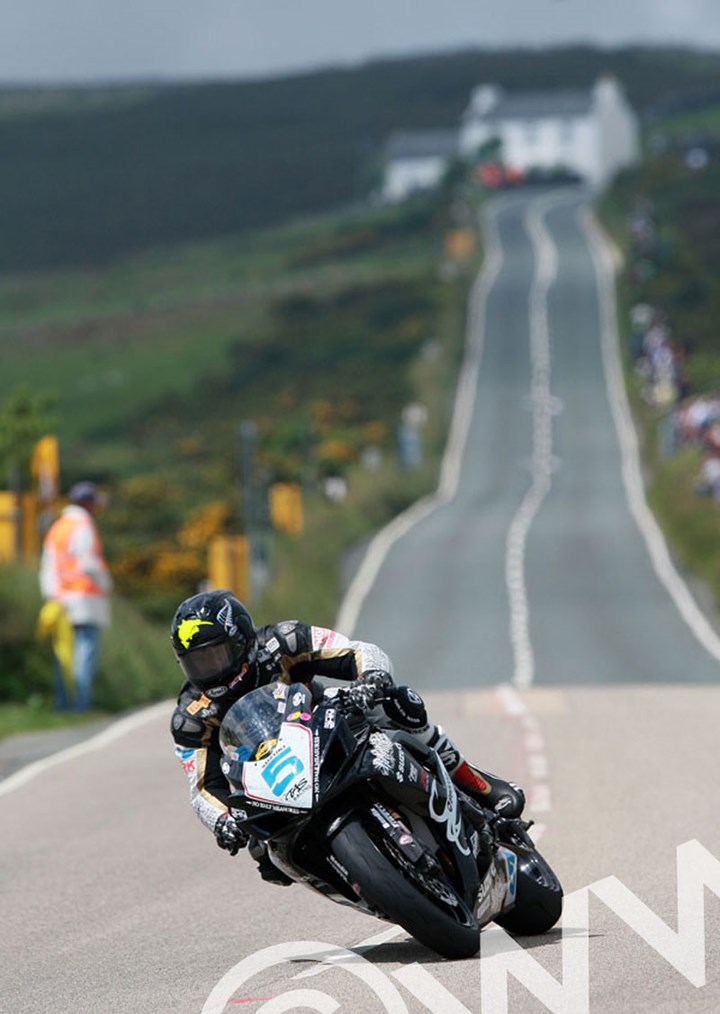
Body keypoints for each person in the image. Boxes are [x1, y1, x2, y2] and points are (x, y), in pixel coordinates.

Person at [170, 589, 526, 885]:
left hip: (324, 724)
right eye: (196, 663)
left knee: (399, 705)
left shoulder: (283, 642)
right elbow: (201, 786)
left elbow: (358, 651)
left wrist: (371, 679)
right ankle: (362, 884)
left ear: (242, 641)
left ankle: (478, 784)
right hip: (271, 778)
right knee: (265, 857)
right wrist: (221, 821)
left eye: (216, 656)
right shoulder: (191, 717)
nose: (210, 671)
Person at [39, 481, 112, 711]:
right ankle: (81, 704)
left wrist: (53, 595)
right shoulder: (83, 526)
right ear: (89, 503)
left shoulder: (58, 527)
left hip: (60, 598)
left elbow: (48, 566)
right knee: (85, 651)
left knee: (63, 653)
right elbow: (88, 562)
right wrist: (106, 583)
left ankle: (62, 704)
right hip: (84, 597)